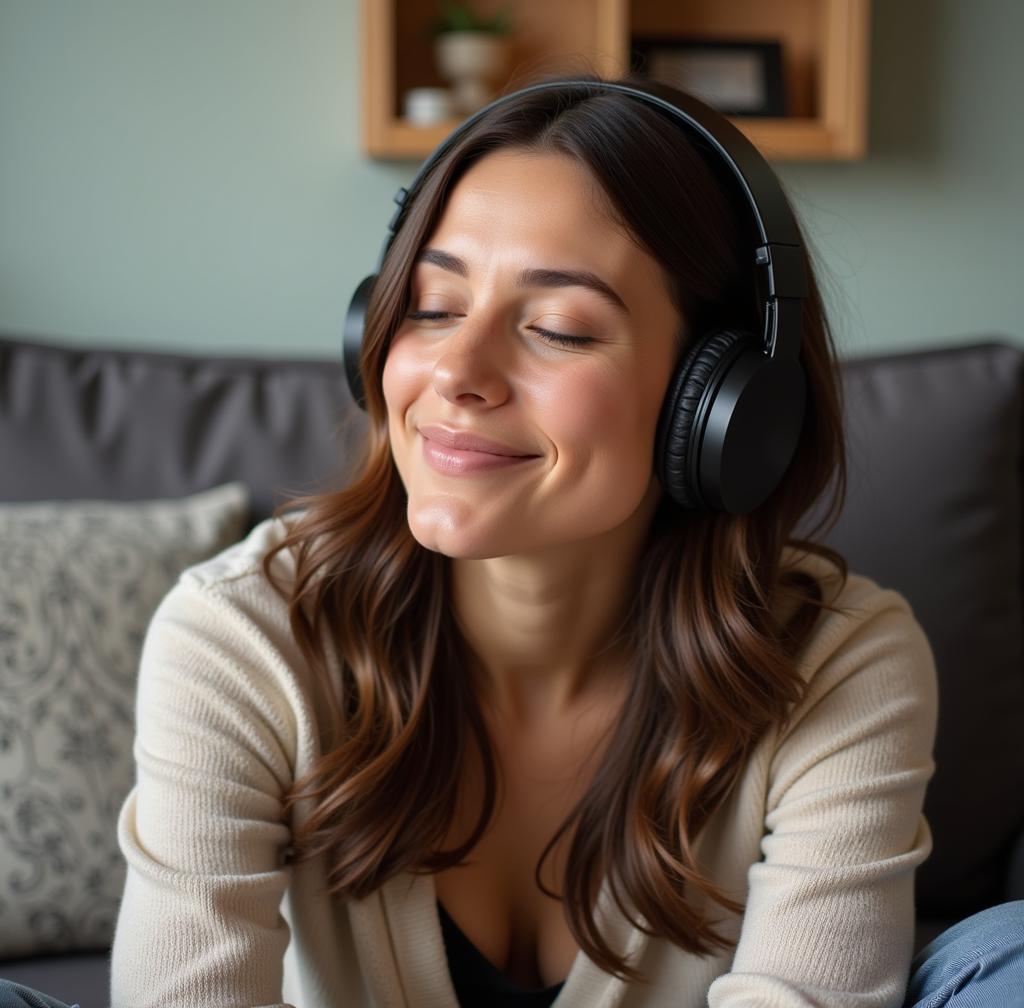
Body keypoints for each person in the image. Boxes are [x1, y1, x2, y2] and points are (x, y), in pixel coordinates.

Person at [4, 72, 1022, 1008]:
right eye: (433, 306)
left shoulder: (838, 660)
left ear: (718, 405)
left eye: (560, 328)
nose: (457, 371)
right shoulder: (244, 632)